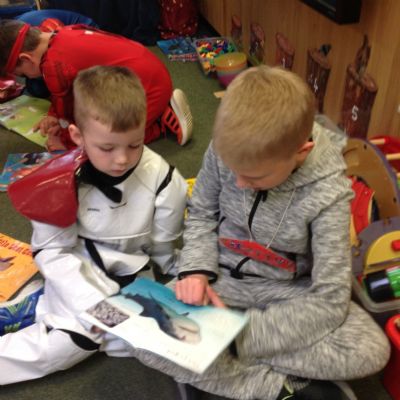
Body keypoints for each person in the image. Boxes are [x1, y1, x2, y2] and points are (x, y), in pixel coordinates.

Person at [120, 66, 391, 400]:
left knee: (370, 350)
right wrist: (194, 271)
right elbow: (202, 213)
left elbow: (330, 299)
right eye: (232, 169)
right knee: (136, 333)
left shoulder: (329, 193)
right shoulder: (227, 149)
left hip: (288, 297)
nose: (238, 183)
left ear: (301, 152)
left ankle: (216, 366)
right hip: (219, 283)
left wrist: (238, 337)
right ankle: (278, 386)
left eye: (254, 177)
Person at [1, 65, 187, 385]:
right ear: (78, 136)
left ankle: (38, 304)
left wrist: (180, 272)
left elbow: (162, 248)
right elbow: (52, 251)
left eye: (135, 144)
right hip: (78, 273)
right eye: (107, 148)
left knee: (142, 340)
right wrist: (91, 302)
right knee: (78, 341)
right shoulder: (60, 182)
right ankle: (42, 307)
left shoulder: (165, 179)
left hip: (129, 279)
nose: (122, 159)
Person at [0, 19, 193, 150]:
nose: (26, 78)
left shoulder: (53, 66)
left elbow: (67, 111)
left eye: (22, 74)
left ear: (26, 58)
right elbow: (66, 99)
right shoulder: (62, 32)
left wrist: (66, 141)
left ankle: (161, 124)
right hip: (151, 74)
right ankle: (158, 111)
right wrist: (53, 116)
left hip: (148, 91)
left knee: (106, 144)